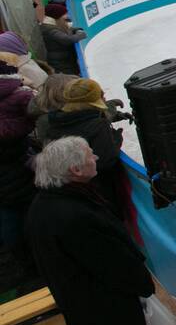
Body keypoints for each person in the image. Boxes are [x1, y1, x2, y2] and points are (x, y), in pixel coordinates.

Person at [25, 137, 176, 325]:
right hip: (104, 307)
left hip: (86, 303)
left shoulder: (50, 202)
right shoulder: (73, 215)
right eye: (89, 154)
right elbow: (113, 263)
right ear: (74, 169)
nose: (95, 157)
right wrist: (141, 284)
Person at [45, 78, 130, 226]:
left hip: (69, 187)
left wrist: (112, 117)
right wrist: (116, 139)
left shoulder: (56, 121)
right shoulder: (97, 125)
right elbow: (105, 160)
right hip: (98, 190)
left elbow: (80, 122)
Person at [0, 58, 35, 277]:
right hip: (20, 170)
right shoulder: (20, 96)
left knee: (12, 225)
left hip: (15, 174)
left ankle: (28, 265)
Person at [39, 5, 85, 75]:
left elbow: (68, 30)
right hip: (61, 65)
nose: (67, 17)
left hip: (65, 62)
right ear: (57, 16)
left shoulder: (54, 25)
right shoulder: (50, 30)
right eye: (64, 15)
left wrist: (77, 30)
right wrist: (81, 35)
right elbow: (67, 40)